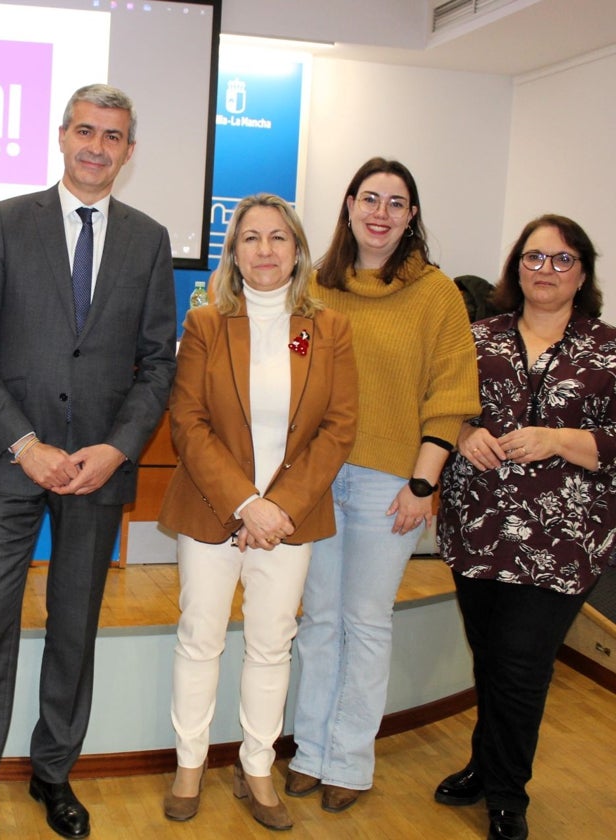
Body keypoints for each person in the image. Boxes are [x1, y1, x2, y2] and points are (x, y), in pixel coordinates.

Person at [0, 83, 177, 840]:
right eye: (86, 131)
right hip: (11, 465)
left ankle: (54, 774)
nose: (98, 147)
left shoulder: (149, 237)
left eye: (114, 136)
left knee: (74, 627)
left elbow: (158, 363)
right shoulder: (5, 221)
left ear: (129, 151)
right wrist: (26, 444)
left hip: (99, 471)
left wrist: (118, 447)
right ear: (61, 136)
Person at [157, 194, 358, 830]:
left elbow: (338, 427)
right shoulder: (206, 324)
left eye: (278, 238)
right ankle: (190, 764)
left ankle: (257, 767)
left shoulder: (329, 329)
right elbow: (187, 423)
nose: (265, 250)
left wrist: (278, 510)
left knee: (272, 646)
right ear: (233, 251)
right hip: (214, 509)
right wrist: (246, 503)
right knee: (200, 638)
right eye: (251, 238)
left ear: (297, 249)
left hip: (290, 521)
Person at [287, 157, 480, 812]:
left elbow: (449, 396)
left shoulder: (437, 295)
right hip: (318, 476)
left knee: (364, 622)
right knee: (317, 620)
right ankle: (309, 752)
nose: (381, 212)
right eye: (370, 198)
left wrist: (423, 486)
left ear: (412, 217)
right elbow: (293, 377)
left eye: (397, 203)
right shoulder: (316, 286)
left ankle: (349, 761)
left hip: (388, 485)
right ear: (347, 206)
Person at [433, 215, 616, 840]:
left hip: (564, 542)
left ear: (583, 272)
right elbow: (437, 406)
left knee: (521, 663)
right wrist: (463, 435)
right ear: (516, 267)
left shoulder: (609, 348)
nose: (547, 270)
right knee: (490, 658)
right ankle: (486, 768)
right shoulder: (474, 336)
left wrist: (560, 438)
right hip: (478, 529)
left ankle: (508, 795)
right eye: (535, 258)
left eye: (563, 260)